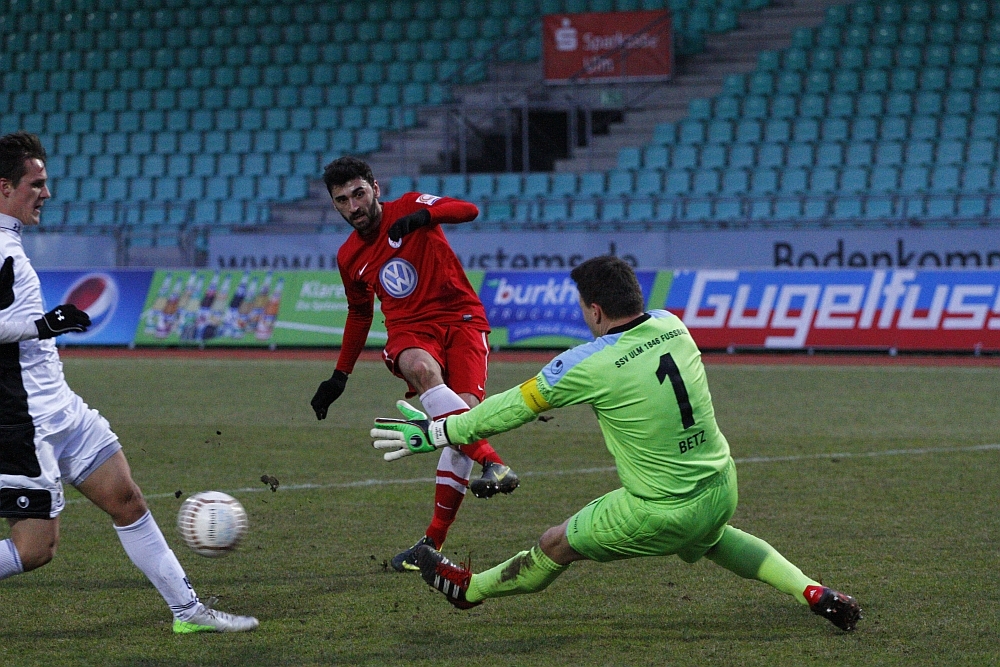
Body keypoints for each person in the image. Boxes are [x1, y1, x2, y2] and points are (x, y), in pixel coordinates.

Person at [371, 255, 862, 631]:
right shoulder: (673, 325)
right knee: (713, 538)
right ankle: (812, 591)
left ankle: (468, 590)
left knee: (555, 543)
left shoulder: (590, 363)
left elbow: (512, 407)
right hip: (719, 488)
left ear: (596, 309)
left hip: (658, 509)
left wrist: (438, 431)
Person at [0, 132, 257, 634]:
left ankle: (188, 612)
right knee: (36, 549)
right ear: (4, 187)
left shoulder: (10, 241)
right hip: (25, 421)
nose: (47, 193)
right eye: (36, 184)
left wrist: (43, 326)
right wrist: (43, 325)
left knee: (127, 499)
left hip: (60, 406)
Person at [310, 156, 519, 572]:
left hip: (462, 319)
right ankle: (494, 462)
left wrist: (424, 216)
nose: (354, 206)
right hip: (410, 330)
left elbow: (468, 210)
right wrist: (339, 375)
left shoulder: (409, 206)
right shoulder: (349, 256)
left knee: (460, 424)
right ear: (334, 205)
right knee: (422, 371)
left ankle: (431, 543)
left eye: (359, 194)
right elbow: (359, 314)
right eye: (342, 200)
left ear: (375, 189)